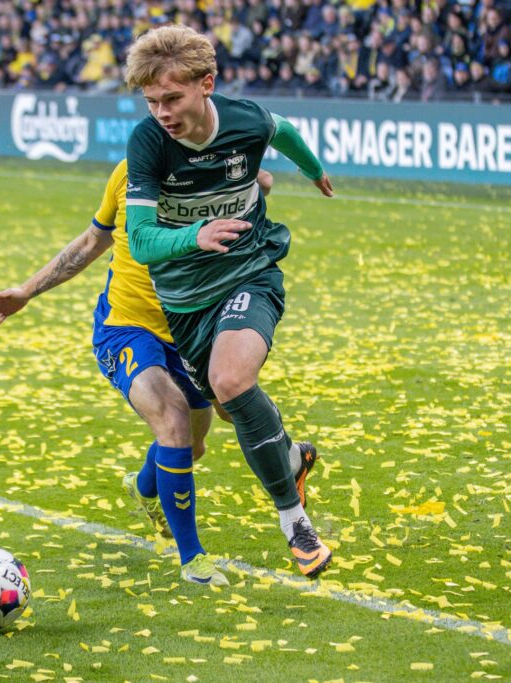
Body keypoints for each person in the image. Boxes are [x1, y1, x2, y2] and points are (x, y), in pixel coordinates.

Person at [0, 161, 319, 587]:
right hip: (126, 327)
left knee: (198, 441)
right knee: (172, 422)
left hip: (191, 327)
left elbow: (262, 180)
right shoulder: (129, 174)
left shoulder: (214, 166)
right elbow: (92, 240)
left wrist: (254, 178)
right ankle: (193, 559)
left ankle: (144, 488)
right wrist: (26, 291)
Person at [123, 24, 335, 580]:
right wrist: (195, 236)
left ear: (206, 84)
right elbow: (142, 242)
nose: (162, 112)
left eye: (172, 98)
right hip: (185, 302)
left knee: (232, 381)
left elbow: (282, 130)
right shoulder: (149, 142)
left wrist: (313, 171)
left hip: (249, 270)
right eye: (152, 102)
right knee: (226, 402)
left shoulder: (243, 119)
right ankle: (292, 457)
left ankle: (296, 525)